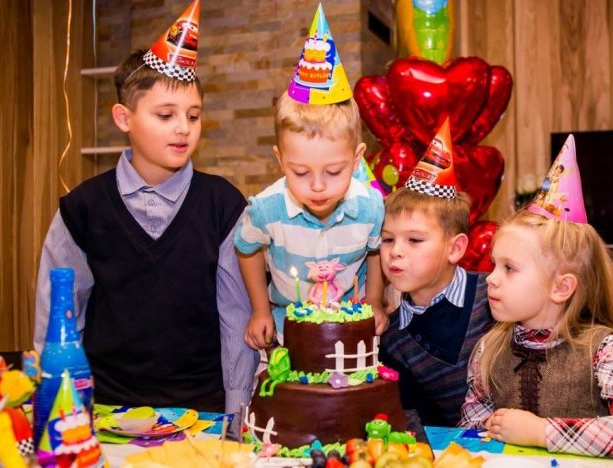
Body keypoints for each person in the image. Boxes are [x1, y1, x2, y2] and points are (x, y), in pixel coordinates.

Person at [33, 1, 258, 416]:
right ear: (124, 118)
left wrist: (237, 414)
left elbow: (236, 317)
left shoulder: (223, 205)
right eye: (165, 115)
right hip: (104, 411)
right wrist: (63, 405)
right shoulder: (83, 209)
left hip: (202, 413)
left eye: (193, 115)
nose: (183, 128)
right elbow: (59, 316)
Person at [460, 135, 613, 460]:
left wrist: (541, 432)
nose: (491, 278)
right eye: (494, 265)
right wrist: (489, 427)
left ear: (561, 288)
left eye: (509, 268)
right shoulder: (488, 349)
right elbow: (470, 428)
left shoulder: (603, 349)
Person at [234, 5, 386, 350]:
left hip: (352, 331)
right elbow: (247, 249)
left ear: (357, 158)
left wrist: (375, 301)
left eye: (334, 172)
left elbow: (375, 252)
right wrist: (260, 309)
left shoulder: (371, 207)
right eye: (300, 172)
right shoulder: (266, 208)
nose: (318, 186)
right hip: (286, 331)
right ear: (280, 160)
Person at [378, 118, 493, 427]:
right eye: (387, 239)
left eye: (414, 240)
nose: (395, 251)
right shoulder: (392, 338)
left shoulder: (493, 297)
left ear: (455, 248)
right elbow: (416, 423)